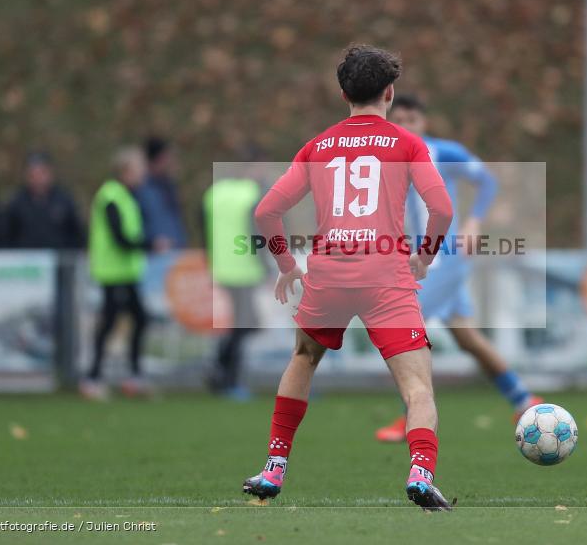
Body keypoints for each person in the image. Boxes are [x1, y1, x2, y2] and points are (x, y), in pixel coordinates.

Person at [242, 45, 454, 511]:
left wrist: (287, 266)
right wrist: (424, 257)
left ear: (344, 95)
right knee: (418, 387)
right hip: (385, 277)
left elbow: (266, 212)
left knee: (303, 358)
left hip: (329, 275)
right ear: (389, 93)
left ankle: (274, 467)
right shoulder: (407, 143)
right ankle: (420, 472)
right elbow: (441, 208)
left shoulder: (317, 147)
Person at [374, 95, 541, 443]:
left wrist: (474, 222)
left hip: (443, 259)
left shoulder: (442, 153)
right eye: (398, 120)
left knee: (405, 329)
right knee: (467, 337)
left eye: (411, 119)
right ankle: (523, 399)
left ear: (424, 123)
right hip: (416, 262)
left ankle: (413, 416)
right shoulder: (384, 159)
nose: (405, 126)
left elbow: (487, 181)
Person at [81, 148, 168, 400]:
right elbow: (120, 238)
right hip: (112, 272)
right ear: (126, 171)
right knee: (111, 323)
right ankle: (93, 378)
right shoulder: (111, 196)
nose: (143, 174)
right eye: (139, 169)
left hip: (126, 272)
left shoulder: (126, 196)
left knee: (138, 319)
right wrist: (150, 245)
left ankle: (132, 376)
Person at [202, 173, 267, 400]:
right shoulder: (252, 195)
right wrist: (267, 264)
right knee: (244, 326)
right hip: (245, 268)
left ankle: (219, 368)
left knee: (242, 325)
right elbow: (257, 233)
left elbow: (205, 228)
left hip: (223, 267)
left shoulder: (215, 193)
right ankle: (228, 378)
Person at [1, 152, 85, 249]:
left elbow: (77, 235)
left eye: (42, 173)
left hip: (58, 256)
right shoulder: (16, 203)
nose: (38, 178)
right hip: (25, 257)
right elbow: (6, 236)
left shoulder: (65, 200)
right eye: (33, 174)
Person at [136, 136, 187, 248]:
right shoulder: (140, 188)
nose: (172, 161)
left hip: (176, 249)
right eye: (168, 157)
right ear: (160, 158)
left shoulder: (169, 186)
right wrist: (150, 242)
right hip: (153, 254)